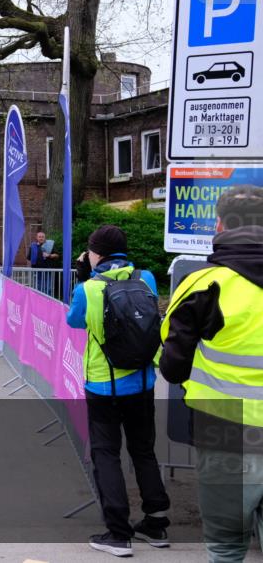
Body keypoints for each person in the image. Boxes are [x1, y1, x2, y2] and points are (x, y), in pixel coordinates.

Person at [160, 185, 263, 562]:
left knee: (226, 547)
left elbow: (172, 367)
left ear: (219, 224)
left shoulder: (202, 285)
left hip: (225, 434)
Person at [65, 224, 169, 558]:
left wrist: (83, 279)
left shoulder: (89, 288)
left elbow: (74, 321)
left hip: (103, 383)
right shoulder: (147, 278)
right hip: (142, 380)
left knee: (106, 454)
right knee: (143, 450)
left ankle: (118, 533)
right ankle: (156, 523)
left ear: (96, 252)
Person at [27, 230, 58, 296]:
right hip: (37, 271)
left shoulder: (50, 245)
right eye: (39, 237)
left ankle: (47, 302)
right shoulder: (33, 246)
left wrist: (49, 255)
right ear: (37, 238)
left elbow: (57, 255)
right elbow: (29, 257)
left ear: (45, 238)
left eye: (42, 237)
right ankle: (39, 302)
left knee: (48, 288)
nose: (41, 238)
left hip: (48, 270)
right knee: (38, 288)